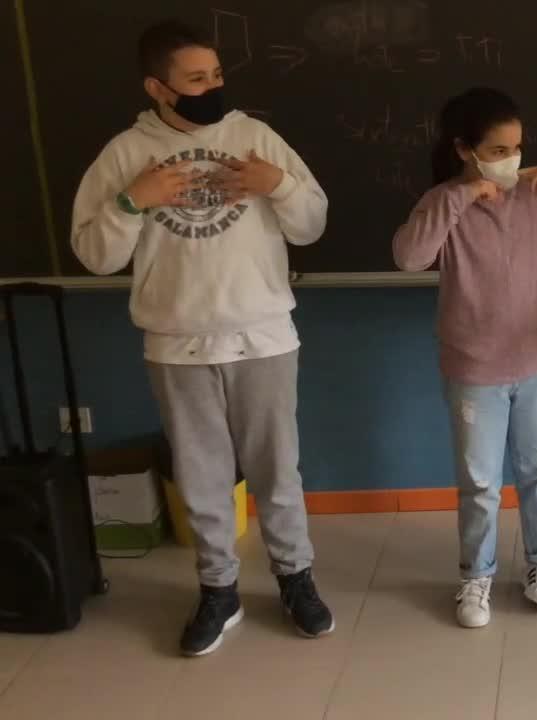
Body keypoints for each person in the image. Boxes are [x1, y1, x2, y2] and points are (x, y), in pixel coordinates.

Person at [70, 21, 333, 656]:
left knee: (278, 470)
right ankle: (219, 589)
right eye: (196, 79)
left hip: (263, 334)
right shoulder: (126, 153)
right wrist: (133, 202)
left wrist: (278, 185)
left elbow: (312, 224)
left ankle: (295, 577)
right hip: (178, 341)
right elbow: (95, 255)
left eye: (216, 75)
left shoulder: (254, 137)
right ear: (157, 88)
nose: (212, 87)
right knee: (202, 476)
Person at [392, 87, 537, 629]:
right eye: (497, 150)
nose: (511, 159)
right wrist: (462, 195)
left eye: (516, 147)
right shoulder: (444, 201)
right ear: (464, 149)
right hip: (474, 369)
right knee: (480, 484)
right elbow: (409, 257)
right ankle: (477, 575)